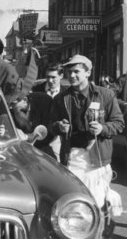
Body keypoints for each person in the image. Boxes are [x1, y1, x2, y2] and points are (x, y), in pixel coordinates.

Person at [50, 55, 124, 229]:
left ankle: (100, 232)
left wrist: (103, 129)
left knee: (97, 206)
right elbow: (51, 125)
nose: (72, 75)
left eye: (76, 71)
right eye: (69, 71)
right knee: (76, 206)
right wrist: (58, 126)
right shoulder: (61, 99)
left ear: (88, 72)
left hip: (97, 160)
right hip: (72, 158)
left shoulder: (105, 95)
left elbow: (119, 123)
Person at [32, 62, 68, 161]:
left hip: (57, 138)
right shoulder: (36, 90)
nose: (50, 80)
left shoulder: (66, 94)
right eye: (47, 77)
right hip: (37, 136)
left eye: (53, 77)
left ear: (61, 76)